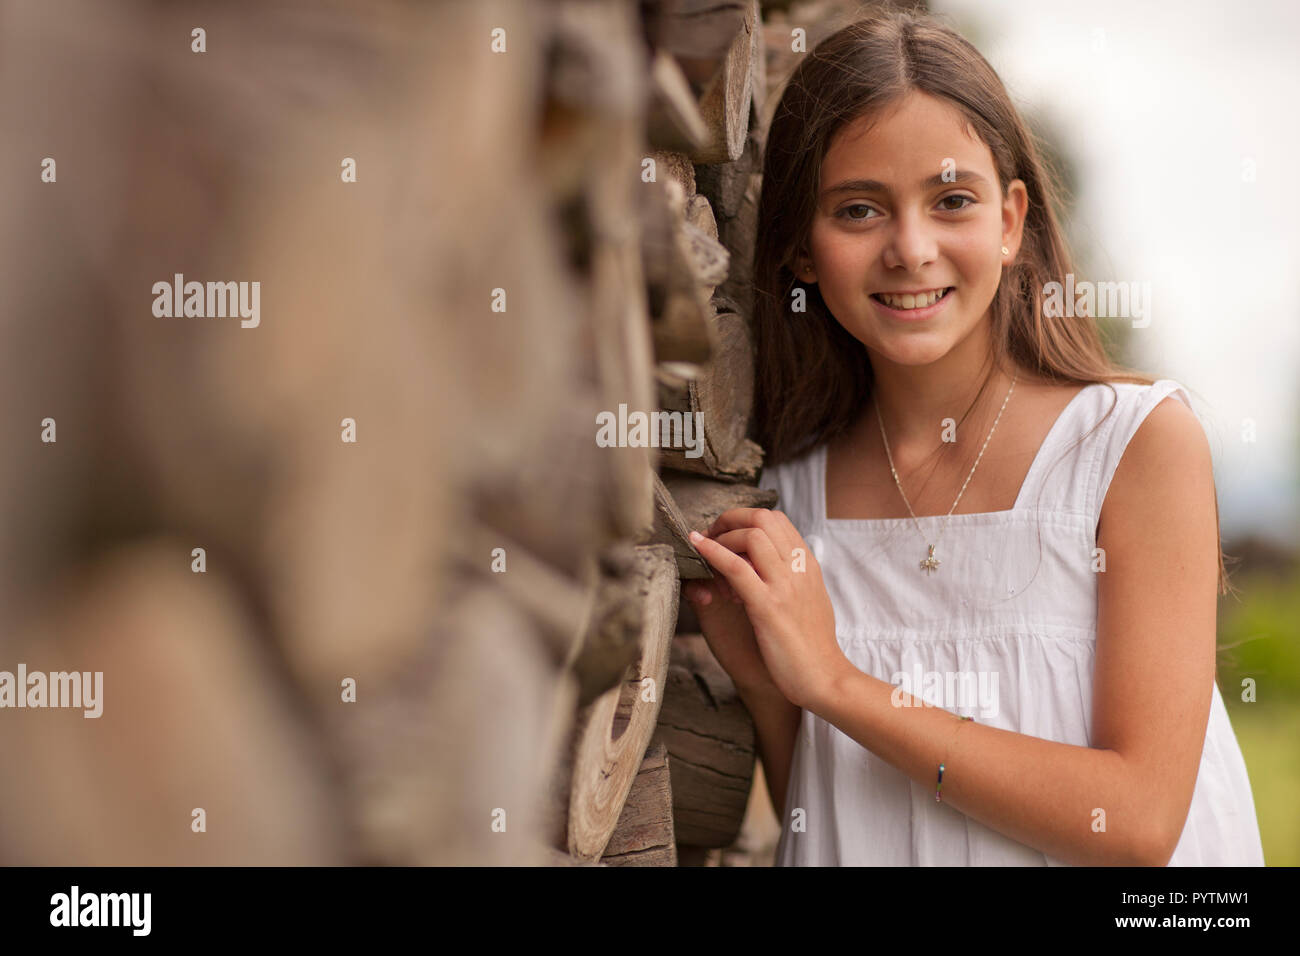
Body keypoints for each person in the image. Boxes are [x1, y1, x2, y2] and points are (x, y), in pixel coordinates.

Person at [684, 10, 1265, 866]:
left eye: (951, 200)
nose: (910, 249)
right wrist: (777, 694)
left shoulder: (1131, 446)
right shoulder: (795, 489)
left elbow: (1138, 821)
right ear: (803, 250)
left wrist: (837, 682)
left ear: (1009, 219)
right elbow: (830, 809)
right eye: (858, 210)